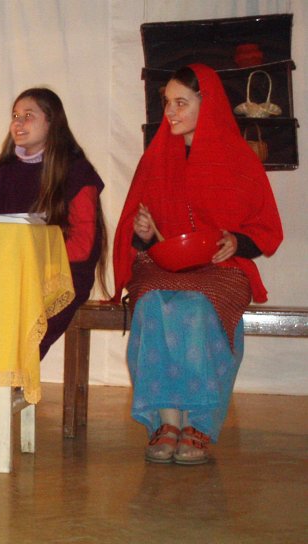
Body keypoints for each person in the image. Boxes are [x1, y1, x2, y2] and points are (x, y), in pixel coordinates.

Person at [112, 64, 283, 465]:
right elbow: (141, 235)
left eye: (181, 103)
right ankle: (167, 421)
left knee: (197, 307)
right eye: (167, 103)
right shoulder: (156, 158)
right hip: (164, 264)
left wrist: (235, 240)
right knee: (151, 303)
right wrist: (144, 231)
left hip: (222, 267)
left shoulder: (239, 159)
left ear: (208, 104)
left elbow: (265, 230)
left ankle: (199, 423)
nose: (170, 112)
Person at [0, 87, 107, 446]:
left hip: (62, 277)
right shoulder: (3, 172)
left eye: (28, 115)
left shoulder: (76, 172)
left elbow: (84, 245)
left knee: (15, 321)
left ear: (52, 121)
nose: (19, 122)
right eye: (15, 116)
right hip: (11, 274)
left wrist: (34, 253)